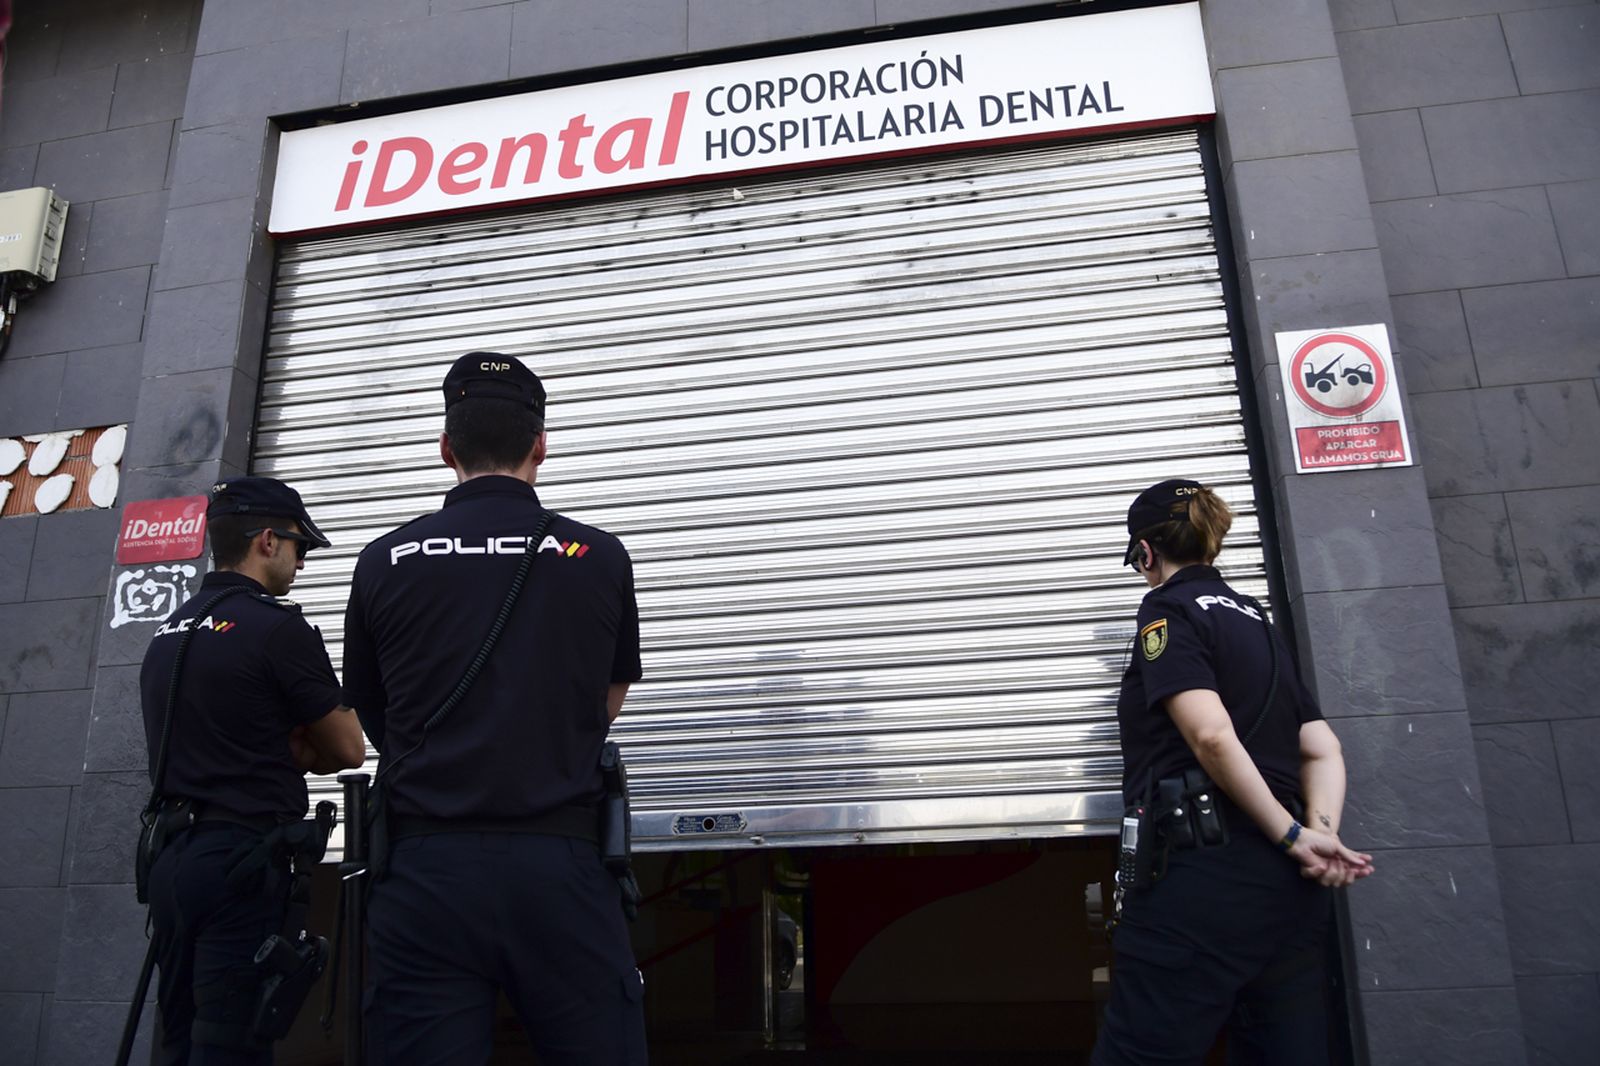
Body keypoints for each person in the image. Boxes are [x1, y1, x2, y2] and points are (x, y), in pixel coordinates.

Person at [342, 352, 647, 1065]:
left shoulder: (383, 558)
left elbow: (374, 710)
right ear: (541, 445)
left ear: (445, 448)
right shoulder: (599, 556)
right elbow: (609, 699)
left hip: (425, 872)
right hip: (562, 864)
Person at [1090, 478, 1374, 1066]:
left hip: (1200, 884)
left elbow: (1211, 735)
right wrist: (1318, 835)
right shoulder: (1258, 622)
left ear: (1146, 552)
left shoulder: (1167, 609)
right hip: (1287, 898)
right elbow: (1323, 748)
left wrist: (1292, 835)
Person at [140, 477, 366, 1065]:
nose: (302, 561)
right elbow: (349, 749)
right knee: (231, 1045)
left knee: (178, 1040)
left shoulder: (167, 632)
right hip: (240, 863)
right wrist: (302, 745)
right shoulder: (277, 629)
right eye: (299, 545)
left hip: (172, 861)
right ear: (268, 541)